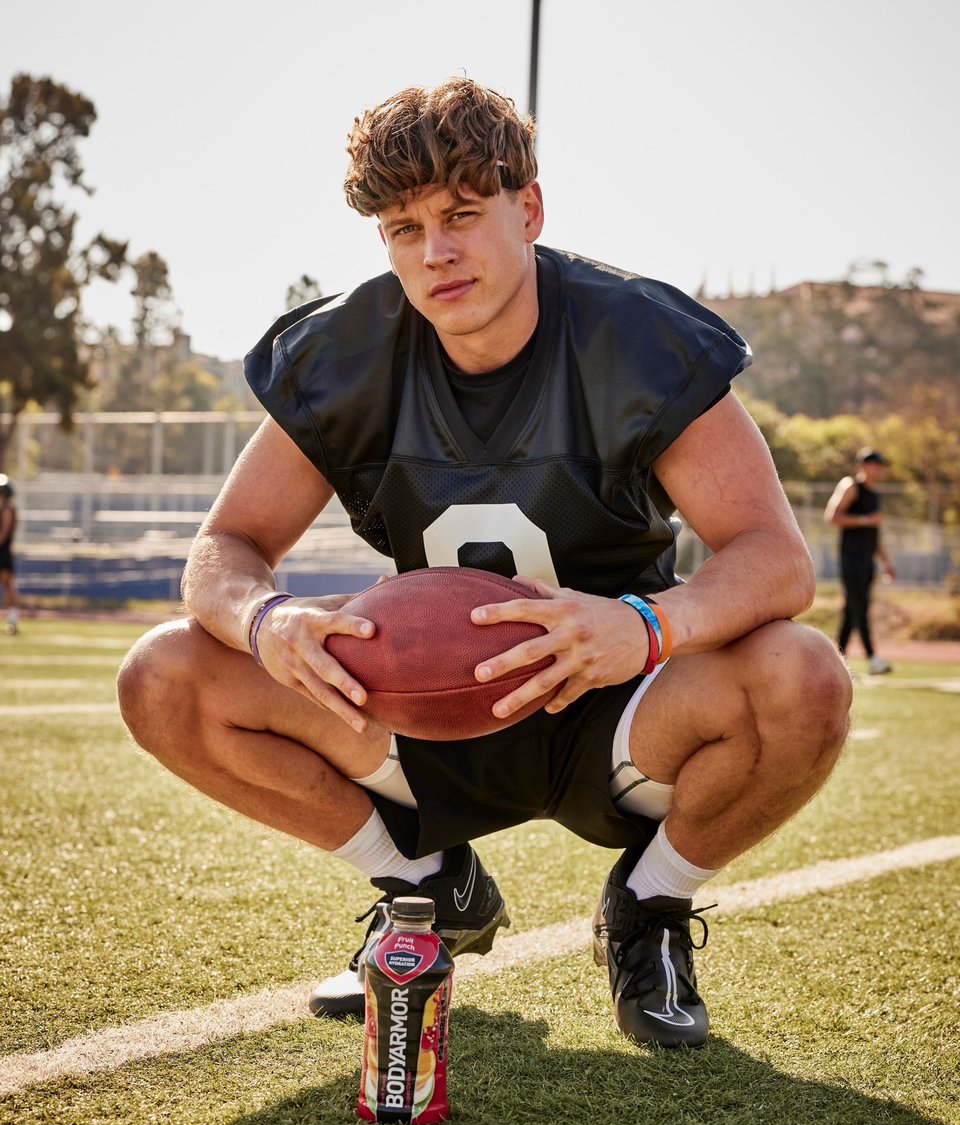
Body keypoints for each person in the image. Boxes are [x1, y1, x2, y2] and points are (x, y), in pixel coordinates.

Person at [117, 78, 852, 1049]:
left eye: (462, 215)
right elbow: (225, 548)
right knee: (165, 676)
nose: (437, 252)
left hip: (618, 700)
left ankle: (650, 905)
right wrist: (267, 618)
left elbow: (775, 558)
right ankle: (426, 888)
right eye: (403, 228)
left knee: (805, 680)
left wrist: (640, 626)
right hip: (420, 706)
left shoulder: (633, 334)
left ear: (529, 208)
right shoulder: (346, 351)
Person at [825, 448, 896, 675]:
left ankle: (837, 660)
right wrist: (866, 520)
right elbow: (832, 517)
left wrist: (886, 562)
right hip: (851, 558)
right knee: (860, 607)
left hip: (867, 561)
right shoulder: (851, 486)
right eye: (876, 464)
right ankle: (873, 658)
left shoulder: (874, 494)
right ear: (864, 466)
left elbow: (874, 535)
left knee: (852, 612)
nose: (880, 469)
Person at [0, 475, 19, 635]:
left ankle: (13, 620)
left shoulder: (7, 509)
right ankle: (12, 620)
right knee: (8, 586)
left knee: (7, 584)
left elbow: (4, 532)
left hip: (2, 553)